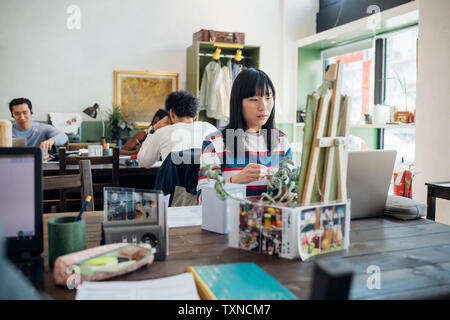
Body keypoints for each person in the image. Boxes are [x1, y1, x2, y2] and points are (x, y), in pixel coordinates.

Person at [198, 68, 292, 198]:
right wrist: (235, 181)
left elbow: (292, 193)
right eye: (254, 99)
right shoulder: (215, 141)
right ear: (238, 102)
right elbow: (203, 199)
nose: (263, 107)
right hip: (231, 217)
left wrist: (283, 187)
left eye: (268, 98)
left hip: (270, 217)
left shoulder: (281, 140)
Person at [137, 91, 217, 168]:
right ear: (195, 115)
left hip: (175, 181)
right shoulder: (211, 129)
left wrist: (153, 130)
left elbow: (143, 162)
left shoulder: (162, 132)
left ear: (171, 112)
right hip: (208, 180)